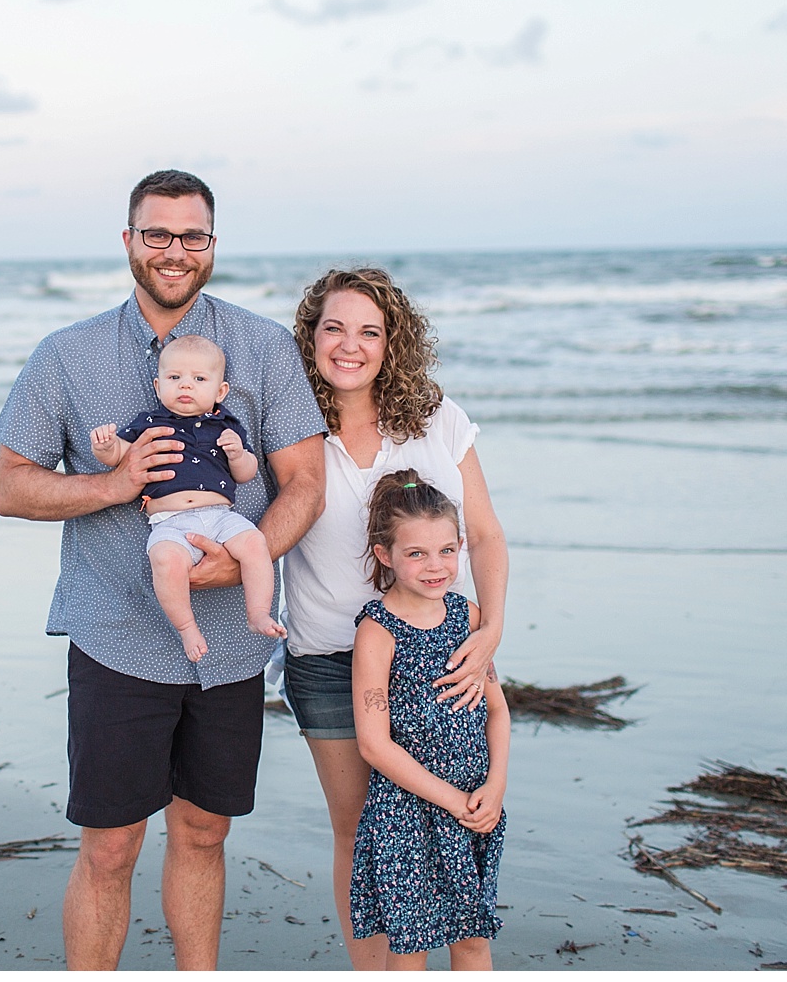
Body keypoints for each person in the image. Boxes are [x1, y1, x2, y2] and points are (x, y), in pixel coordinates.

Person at [0, 169, 326, 971]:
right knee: (109, 847)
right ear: (128, 240)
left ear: (212, 243)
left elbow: (305, 483)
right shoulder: (65, 356)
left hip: (233, 646)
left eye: (192, 235)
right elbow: (9, 486)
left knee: (205, 833)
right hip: (116, 634)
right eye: (157, 234)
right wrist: (113, 484)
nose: (174, 251)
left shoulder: (263, 347)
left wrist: (241, 558)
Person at [280, 267, 509, 968]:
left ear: (392, 342)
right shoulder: (287, 425)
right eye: (334, 328)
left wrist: (490, 630)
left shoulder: (436, 419)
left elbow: (486, 535)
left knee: (453, 817)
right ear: (310, 335)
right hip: (326, 659)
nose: (350, 345)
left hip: (438, 653)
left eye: (369, 331)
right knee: (359, 830)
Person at [349, 470, 509, 970]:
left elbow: (498, 710)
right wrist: (454, 801)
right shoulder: (378, 632)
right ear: (385, 555)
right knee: (411, 946)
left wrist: (495, 788)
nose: (434, 566)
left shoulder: (471, 618)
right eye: (416, 553)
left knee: (473, 939)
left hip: (476, 802)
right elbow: (374, 745)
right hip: (408, 813)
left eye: (446, 550)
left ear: (461, 545)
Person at [90, 334, 287, 662]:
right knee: (166, 560)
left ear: (220, 391)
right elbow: (121, 455)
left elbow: (247, 472)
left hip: (220, 515)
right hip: (169, 521)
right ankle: (186, 627)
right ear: (158, 385)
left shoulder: (226, 425)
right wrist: (106, 447)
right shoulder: (150, 423)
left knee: (255, 544)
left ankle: (258, 613)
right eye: (174, 378)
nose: (185, 386)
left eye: (198, 379)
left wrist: (237, 454)